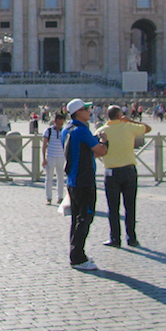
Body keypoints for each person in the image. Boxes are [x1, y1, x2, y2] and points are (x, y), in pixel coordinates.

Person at [62, 99, 107, 271]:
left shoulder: (66, 130)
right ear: (78, 113)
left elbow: (79, 153)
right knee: (85, 218)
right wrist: (104, 140)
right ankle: (78, 258)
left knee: (76, 220)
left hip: (72, 180)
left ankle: (76, 252)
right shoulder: (82, 131)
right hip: (85, 180)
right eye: (86, 109)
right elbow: (101, 151)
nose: (90, 111)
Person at [96, 106, 151, 247]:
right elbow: (147, 128)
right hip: (129, 170)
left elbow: (95, 149)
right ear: (120, 115)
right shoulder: (129, 127)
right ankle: (131, 238)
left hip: (111, 171)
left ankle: (115, 238)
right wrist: (129, 120)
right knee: (130, 206)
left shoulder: (101, 131)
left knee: (113, 208)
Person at [42, 112, 66, 205]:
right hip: (51, 156)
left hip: (61, 156)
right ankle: (48, 197)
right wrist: (44, 158)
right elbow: (44, 145)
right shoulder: (48, 131)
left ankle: (60, 197)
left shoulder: (64, 131)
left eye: (61, 124)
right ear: (54, 122)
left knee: (61, 178)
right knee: (49, 178)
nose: (60, 126)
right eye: (58, 124)